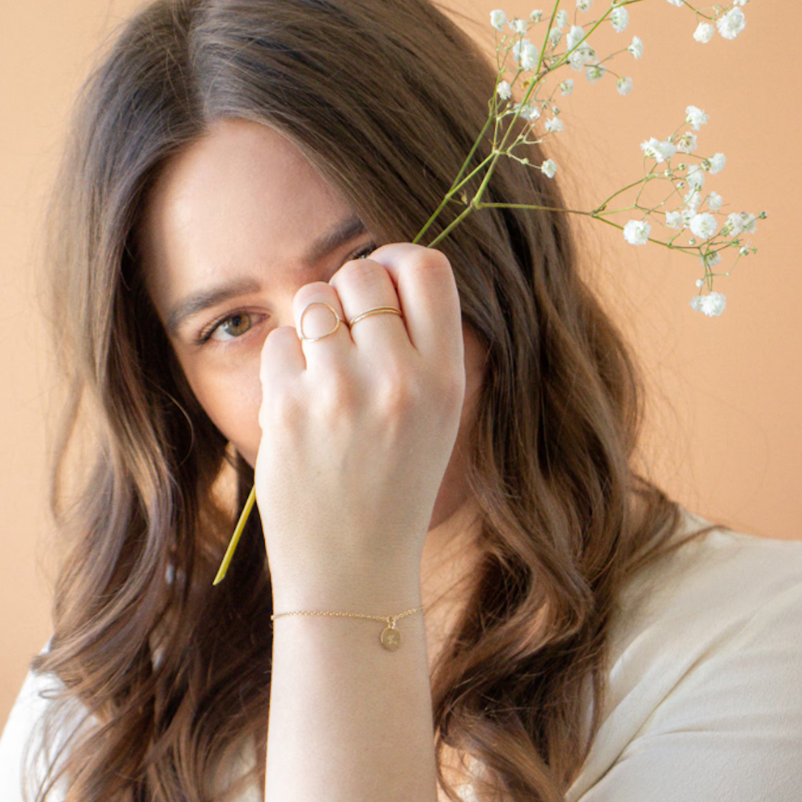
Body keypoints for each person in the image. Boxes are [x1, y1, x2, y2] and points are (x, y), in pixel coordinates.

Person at [2, 0, 801, 800]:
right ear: (173, 387)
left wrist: (345, 593)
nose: (335, 365)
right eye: (234, 323)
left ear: (502, 240)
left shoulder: (760, 637)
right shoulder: (103, 697)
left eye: (369, 260)